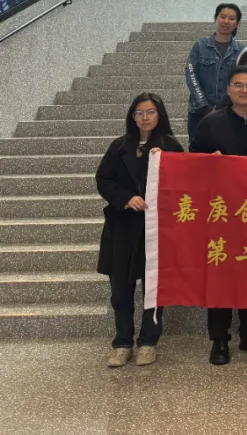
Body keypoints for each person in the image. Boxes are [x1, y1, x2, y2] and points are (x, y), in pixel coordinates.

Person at [189, 65, 247, 366]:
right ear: (228, 90)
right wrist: (208, 161)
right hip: (221, 212)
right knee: (221, 273)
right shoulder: (210, 123)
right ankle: (219, 338)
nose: (245, 90)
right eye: (238, 85)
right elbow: (191, 162)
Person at [96, 93, 184, 368]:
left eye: (150, 112)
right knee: (120, 290)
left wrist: (165, 162)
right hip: (122, 227)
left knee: (153, 289)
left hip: (156, 229)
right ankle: (122, 342)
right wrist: (125, 198)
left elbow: (183, 183)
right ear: (132, 117)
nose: (145, 118)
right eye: (139, 113)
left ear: (160, 115)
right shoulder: (119, 146)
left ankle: (148, 341)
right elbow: (104, 179)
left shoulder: (171, 146)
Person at [186, 2, 245, 134]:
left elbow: (241, 82)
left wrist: (223, 107)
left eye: (231, 18)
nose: (226, 21)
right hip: (199, 111)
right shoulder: (200, 47)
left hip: (230, 113)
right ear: (215, 19)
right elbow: (191, 76)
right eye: (222, 17)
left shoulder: (241, 51)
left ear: (237, 23)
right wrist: (205, 107)